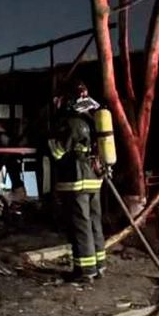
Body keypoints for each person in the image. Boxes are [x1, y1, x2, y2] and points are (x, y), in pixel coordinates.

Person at [48, 81, 105, 282]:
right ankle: (99, 266)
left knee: (80, 225)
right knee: (94, 222)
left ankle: (85, 271)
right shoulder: (92, 120)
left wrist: (47, 140)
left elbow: (57, 152)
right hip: (94, 179)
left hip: (77, 180)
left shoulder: (71, 122)